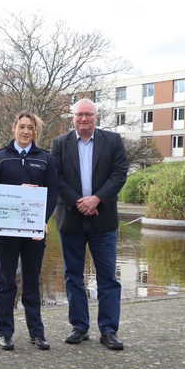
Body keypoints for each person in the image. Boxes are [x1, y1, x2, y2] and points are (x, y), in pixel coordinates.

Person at [50, 98, 129, 351]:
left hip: (102, 219)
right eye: (79, 114)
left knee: (108, 278)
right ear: (72, 117)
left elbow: (119, 174)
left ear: (96, 116)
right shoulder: (59, 144)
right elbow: (56, 177)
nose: (84, 118)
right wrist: (78, 202)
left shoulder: (113, 141)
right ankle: (79, 327)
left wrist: (97, 199)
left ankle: (108, 330)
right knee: (73, 276)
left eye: (88, 114)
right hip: (71, 219)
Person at [0, 111, 58, 351]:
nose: (26, 131)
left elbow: (52, 194)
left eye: (30, 128)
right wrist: (18, 190)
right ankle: (5, 332)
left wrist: (43, 220)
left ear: (35, 131)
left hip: (33, 231)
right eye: (22, 126)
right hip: (6, 231)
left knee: (32, 282)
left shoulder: (45, 158)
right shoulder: (0, 159)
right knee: (6, 282)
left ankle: (37, 332)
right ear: (13, 127)